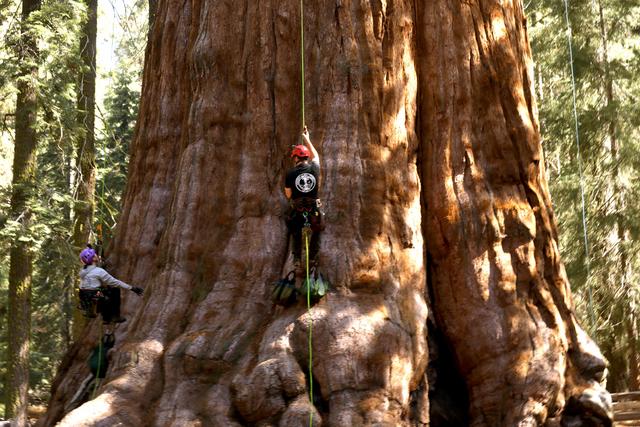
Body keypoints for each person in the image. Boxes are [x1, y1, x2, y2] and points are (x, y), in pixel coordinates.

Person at [285, 126, 324, 274]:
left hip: (298, 211)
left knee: (295, 231)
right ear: (306, 157)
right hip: (313, 210)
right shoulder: (314, 168)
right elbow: (316, 156)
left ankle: (296, 260)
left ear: (295, 158)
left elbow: (288, 195)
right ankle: (313, 258)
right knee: (317, 229)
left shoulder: (290, 173)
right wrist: (307, 138)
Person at [78, 245, 143, 323]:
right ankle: (114, 316)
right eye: (94, 255)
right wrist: (132, 288)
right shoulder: (99, 271)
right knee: (115, 290)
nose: (96, 255)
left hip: (84, 298)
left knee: (103, 291)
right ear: (93, 259)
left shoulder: (82, 271)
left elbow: (93, 272)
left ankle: (104, 317)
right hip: (96, 298)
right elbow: (115, 282)